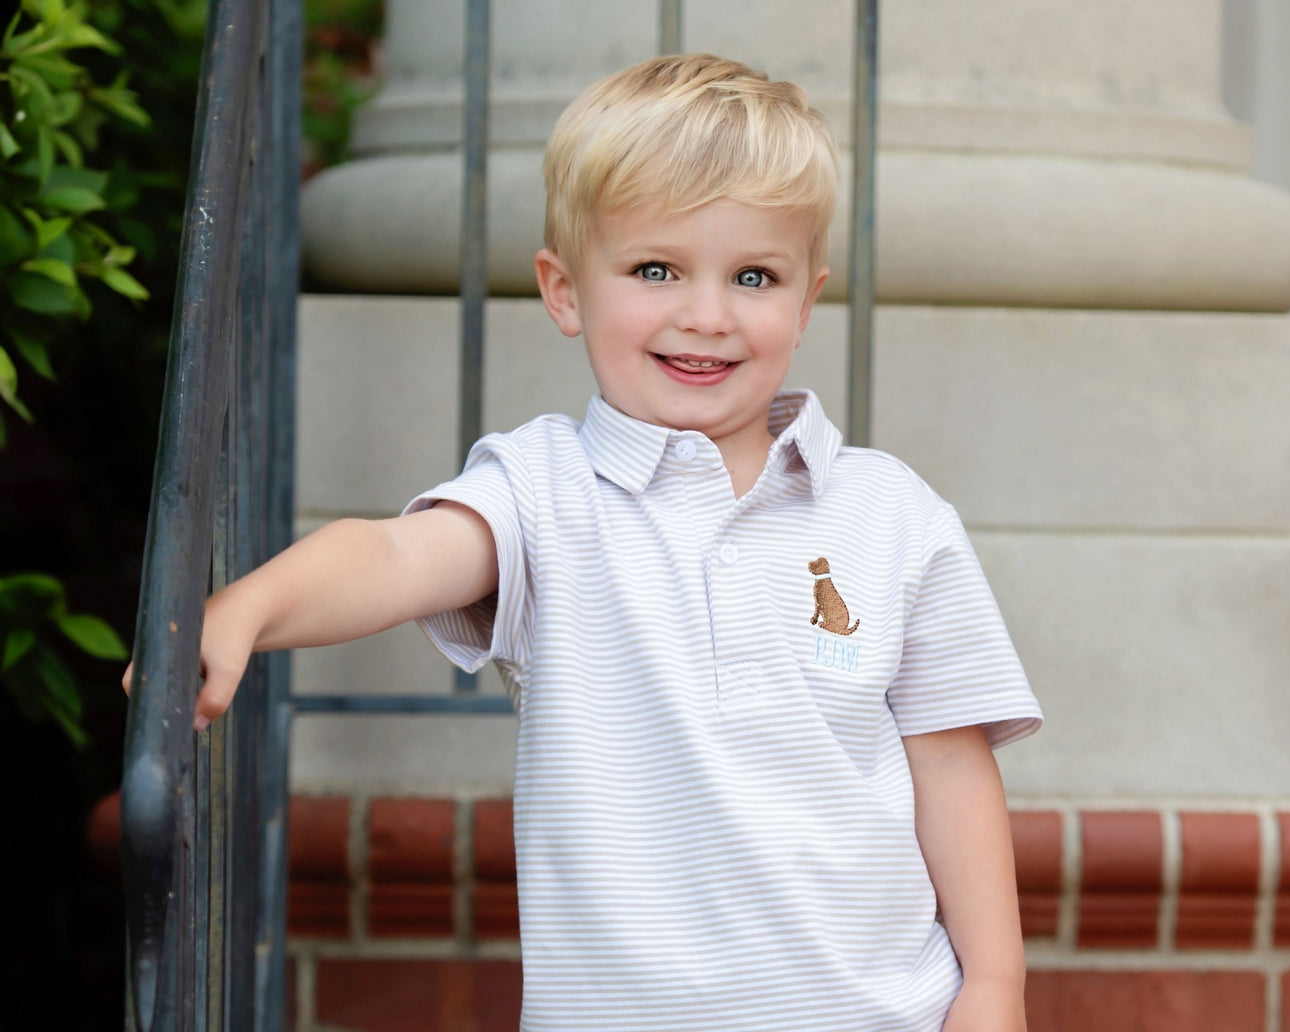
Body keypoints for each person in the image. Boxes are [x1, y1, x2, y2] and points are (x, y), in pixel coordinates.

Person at [134, 54, 1043, 1032]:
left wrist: (992, 986)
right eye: (655, 269)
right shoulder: (543, 495)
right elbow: (395, 559)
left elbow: (949, 768)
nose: (706, 314)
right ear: (564, 292)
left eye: (753, 275)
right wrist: (245, 609)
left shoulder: (890, 514)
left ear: (806, 298)